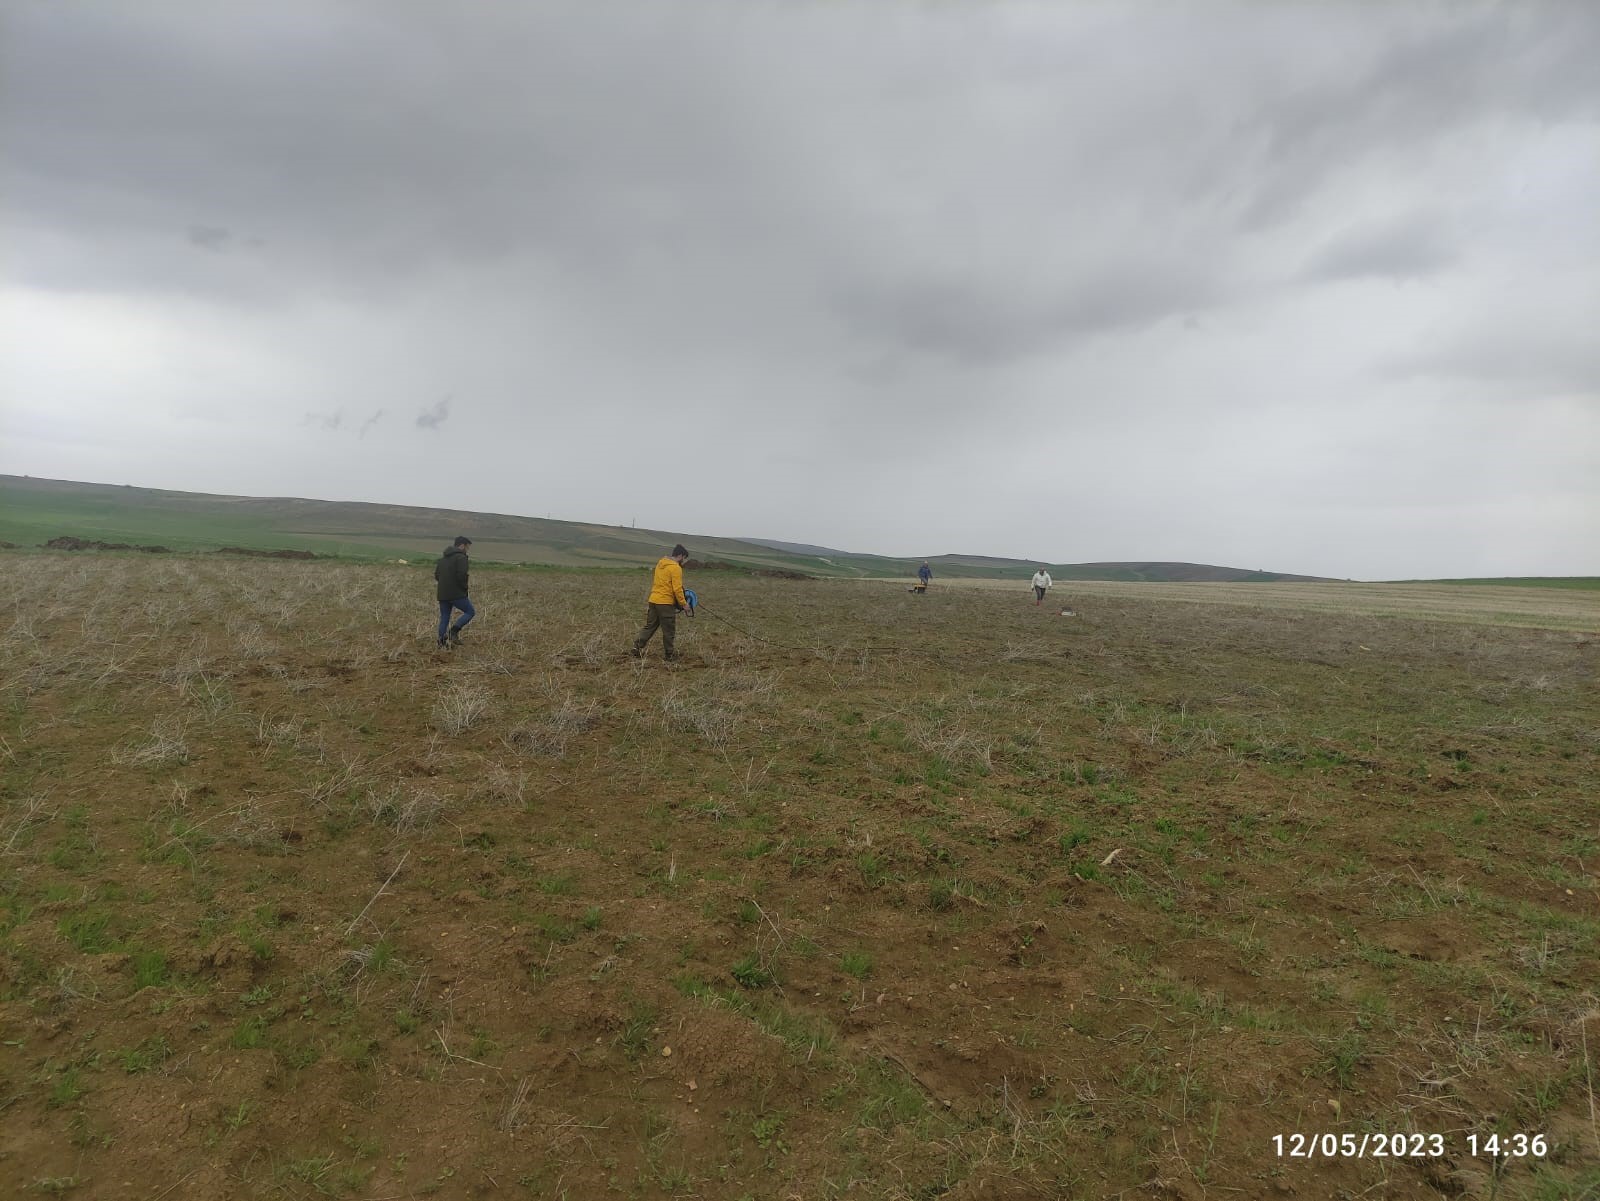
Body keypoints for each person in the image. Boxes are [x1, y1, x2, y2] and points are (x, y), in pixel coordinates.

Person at [631, 544, 691, 661]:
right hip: (665, 603)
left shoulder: (660, 563)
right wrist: (684, 604)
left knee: (650, 626)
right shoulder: (676, 568)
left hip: (653, 600)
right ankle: (669, 655)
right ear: (680, 555)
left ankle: (636, 647)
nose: (683, 561)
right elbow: (677, 589)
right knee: (668, 630)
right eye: (683, 558)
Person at [434, 536, 474, 648]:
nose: (467, 550)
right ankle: (454, 631)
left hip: (442, 593)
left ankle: (441, 642)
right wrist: (464, 588)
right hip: (456, 593)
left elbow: (437, 576)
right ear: (462, 545)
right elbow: (462, 575)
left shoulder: (442, 559)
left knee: (445, 617)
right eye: (467, 547)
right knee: (470, 612)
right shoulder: (461, 558)